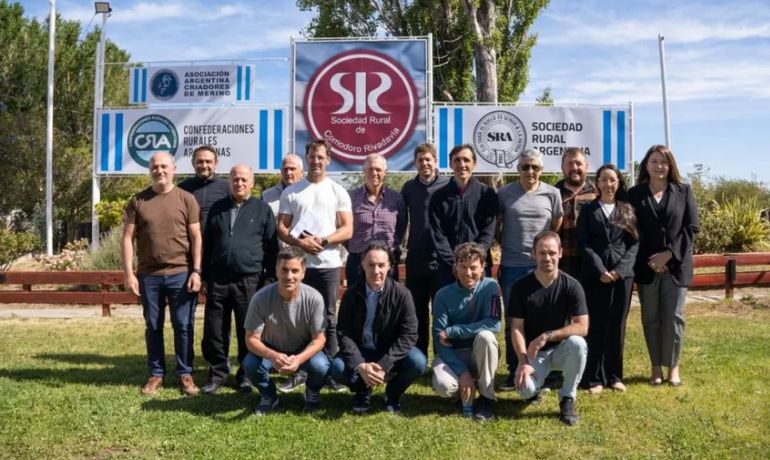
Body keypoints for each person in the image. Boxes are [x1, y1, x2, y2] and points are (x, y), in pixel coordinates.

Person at [121, 152, 202, 396]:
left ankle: (185, 373)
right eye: (155, 166)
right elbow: (127, 239)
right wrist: (128, 274)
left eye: (164, 166)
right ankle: (156, 374)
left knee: (183, 325)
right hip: (149, 276)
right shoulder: (138, 201)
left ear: (174, 168)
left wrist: (196, 270)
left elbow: (197, 237)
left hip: (181, 273)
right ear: (150, 170)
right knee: (153, 325)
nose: (160, 170)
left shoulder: (187, 199)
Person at [277, 138, 353, 392]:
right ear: (306, 157)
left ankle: (329, 371)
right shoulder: (292, 191)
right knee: (297, 318)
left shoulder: (337, 191)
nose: (316, 161)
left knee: (328, 318)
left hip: (328, 264)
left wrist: (324, 240)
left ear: (328, 159)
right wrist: (300, 243)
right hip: (299, 266)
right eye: (312, 156)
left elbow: (348, 228)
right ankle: (299, 371)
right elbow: (282, 228)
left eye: (321, 157)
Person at [200, 165, 278, 395]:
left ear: (252, 183)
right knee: (215, 329)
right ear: (229, 182)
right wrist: (205, 275)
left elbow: (272, 248)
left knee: (249, 329)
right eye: (235, 180)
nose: (239, 184)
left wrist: (269, 279)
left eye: (244, 180)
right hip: (219, 280)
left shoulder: (262, 209)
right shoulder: (217, 208)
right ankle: (217, 374)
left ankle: (245, 375)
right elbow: (208, 244)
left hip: (250, 280)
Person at [628, 145, 699, 387]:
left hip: (676, 266)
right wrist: (652, 259)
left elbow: (691, 228)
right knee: (651, 318)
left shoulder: (683, 191)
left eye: (664, 162)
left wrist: (668, 255)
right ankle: (656, 366)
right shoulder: (634, 194)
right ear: (646, 164)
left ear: (671, 166)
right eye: (654, 161)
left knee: (674, 318)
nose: (659, 166)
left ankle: (673, 367)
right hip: (647, 267)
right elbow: (632, 230)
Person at [331, 241, 426, 414]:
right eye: (371, 265)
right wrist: (360, 365)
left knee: (418, 362)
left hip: (388, 351)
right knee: (337, 368)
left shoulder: (402, 294)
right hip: (362, 350)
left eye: (381, 265)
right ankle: (362, 389)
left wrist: (383, 365)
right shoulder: (351, 294)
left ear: (389, 266)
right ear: (362, 265)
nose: (376, 271)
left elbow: (409, 335)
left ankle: (392, 393)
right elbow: (344, 333)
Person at [497, 149, 563, 391]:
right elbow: (497, 226)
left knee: (545, 318)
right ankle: (514, 368)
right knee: (514, 320)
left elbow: (555, 226)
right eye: (525, 167)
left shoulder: (552, 193)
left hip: (542, 266)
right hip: (512, 265)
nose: (530, 171)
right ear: (518, 170)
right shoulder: (504, 193)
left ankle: (548, 371)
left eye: (535, 167)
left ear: (542, 170)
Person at [509, 231, 588, 426]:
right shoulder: (520, 287)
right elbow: (516, 327)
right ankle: (535, 389)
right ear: (533, 254)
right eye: (542, 253)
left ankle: (567, 398)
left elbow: (583, 326)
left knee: (578, 343)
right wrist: (523, 360)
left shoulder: (572, 286)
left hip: (562, 350)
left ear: (561, 252)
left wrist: (547, 336)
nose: (547, 258)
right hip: (535, 355)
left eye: (552, 252)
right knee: (524, 390)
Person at [241, 246, 331, 415]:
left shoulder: (314, 298)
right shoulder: (260, 298)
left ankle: (311, 392)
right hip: (271, 347)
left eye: (295, 271)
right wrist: (272, 356)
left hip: (302, 347)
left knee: (321, 365)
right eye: (284, 270)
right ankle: (269, 396)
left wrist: (298, 359)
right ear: (276, 270)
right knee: (250, 364)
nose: (289, 276)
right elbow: (251, 339)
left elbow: (319, 339)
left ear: (303, 272)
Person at [578, 164, 639, 393]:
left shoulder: (627, 209)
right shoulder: (588, 210)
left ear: (619, 182)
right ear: (597, 183)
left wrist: (619, 271)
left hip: (621, 278)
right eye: (604, 180)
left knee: (617, 326)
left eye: (612, 180)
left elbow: (634, 244)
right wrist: (600, 270)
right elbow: (584, 243)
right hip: (595, 277)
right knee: (596, 326)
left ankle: (614, 376)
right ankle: (593, 378)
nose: (608, 184)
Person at [432, 242, 502, 421]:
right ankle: (465, 388)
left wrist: (455, 331)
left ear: (483, 267)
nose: (468, 273)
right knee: (443, 386)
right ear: (455, 266)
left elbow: (494, 324)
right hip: (453, 354)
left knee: (486, 336)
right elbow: (440, 340)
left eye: (473, 267)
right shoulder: (442, 295)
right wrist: (462, 372)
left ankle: (486, 398)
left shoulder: (490, 287)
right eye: (463, 267)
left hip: (479, 352)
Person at [401, 143, 450, 355]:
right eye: (420, 160)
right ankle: (419, 358)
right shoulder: (408, 188)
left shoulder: (448, 184)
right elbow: (402, 221)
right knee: (417, 311)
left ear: (435, 161)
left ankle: (442, 357)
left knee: (441, 311)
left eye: (428, 159)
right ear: (416, 163)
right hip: (416, 258)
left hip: (441, 259)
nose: (424, 164)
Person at [429, 144, 497, 288]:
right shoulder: (439, 197)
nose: (462, 164)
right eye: (457, 160)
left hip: (479, 267)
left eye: (466, 160)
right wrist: (455, 262)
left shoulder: (487, 195)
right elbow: (437, 234)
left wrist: (475, 260)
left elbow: (488, 231)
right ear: (450, 164)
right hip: (449, 269)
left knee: (481, 309)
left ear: (474, 164)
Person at [346, 154, 406, 288]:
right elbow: (345, 229)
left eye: (378, 169)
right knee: (357, 304)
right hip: (358, 262)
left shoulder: (397, 198)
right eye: (370, 169)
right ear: (363, 171)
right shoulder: (350, 198)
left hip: (387, 262)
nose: (374, 173)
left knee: (388, 304)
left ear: (385, 172)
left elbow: (401, 227)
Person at [555, 147, 597, 278]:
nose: (574, 168)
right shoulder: (553, 193)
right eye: (569, 164)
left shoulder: (598, 193)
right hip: (562, 263)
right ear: (562, 167)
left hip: (593, 261)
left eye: (579, 163)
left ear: (587, 167)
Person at [177, 145, 230, 231]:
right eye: (200, 161)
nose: (204, 165)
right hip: (190, 241)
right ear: (193, 163)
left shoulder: (227, 187)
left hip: (217, 242)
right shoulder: (182, 188)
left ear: (215, 163)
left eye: (208, 161)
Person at [261, 154, 304, 219]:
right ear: (281, 171)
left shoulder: (310, 193)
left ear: (302, 172)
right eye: (285, 169)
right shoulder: (266, 196)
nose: (288, 172)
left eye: (292, 169)